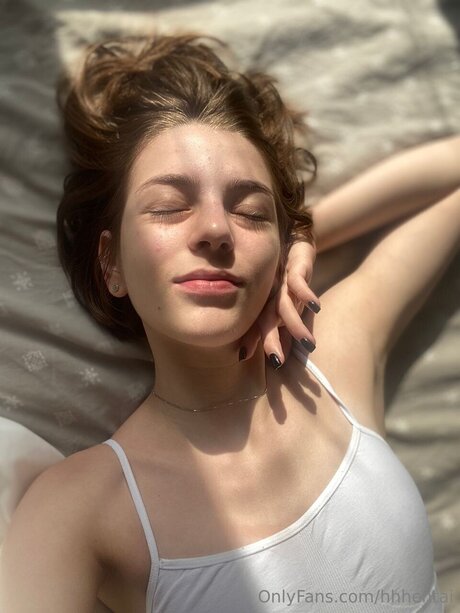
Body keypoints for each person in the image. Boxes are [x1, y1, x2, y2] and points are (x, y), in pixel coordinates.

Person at [1, 33, 459, 613]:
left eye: (250, 212)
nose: (217, 230)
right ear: (111, 263)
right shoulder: (79, 508)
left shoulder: (334, 354)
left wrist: (304, 236)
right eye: (170, 207)